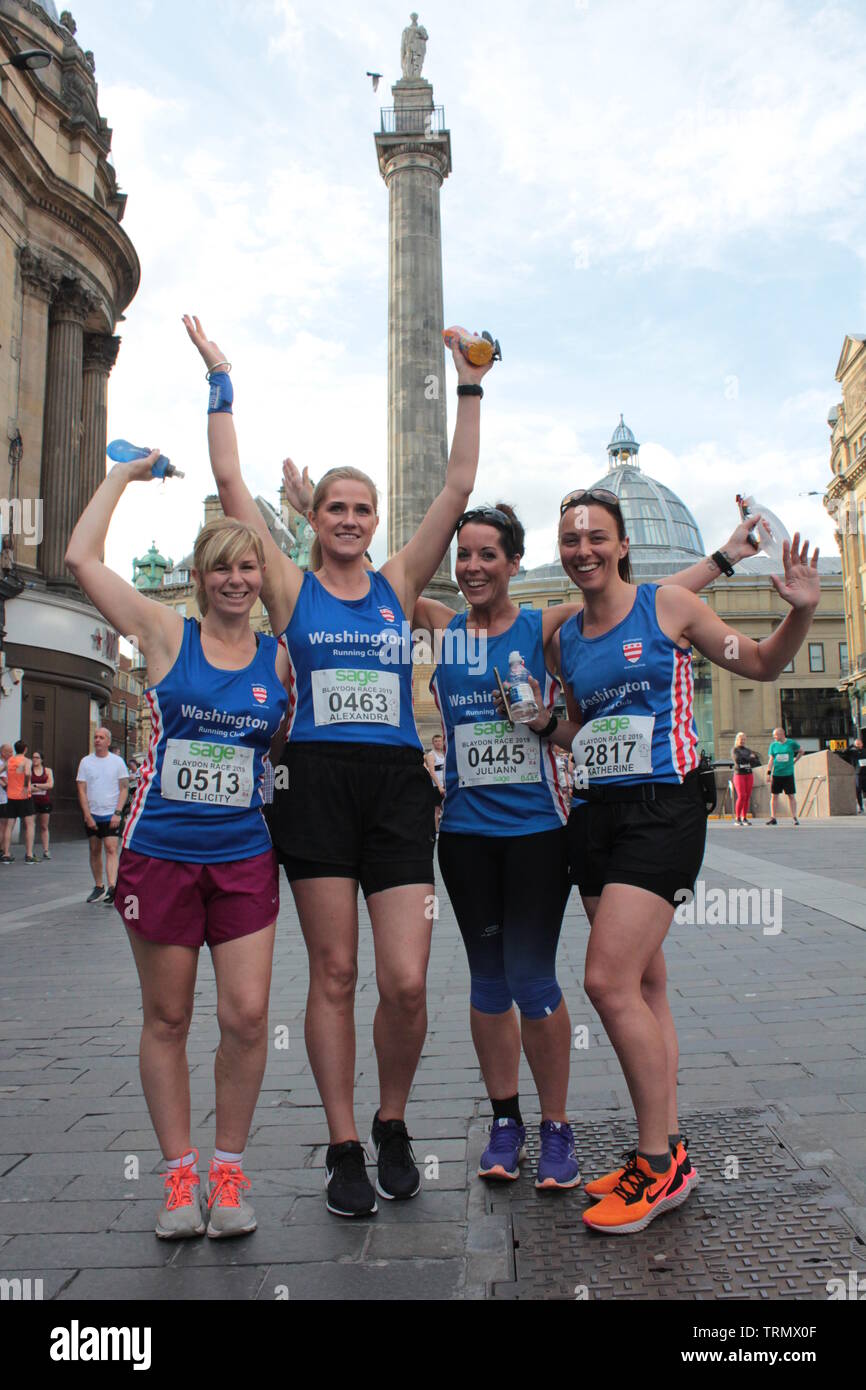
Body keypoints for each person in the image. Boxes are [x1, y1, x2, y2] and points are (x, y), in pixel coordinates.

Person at [183, 311, 494, 1218]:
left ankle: (393, 1120)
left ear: (375, 522)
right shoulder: (292, 588)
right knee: (335, 975)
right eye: (335, 509)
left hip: (398, 785)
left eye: (363, 511)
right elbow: (230, 479)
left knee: (404, 978)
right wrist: (221, 381)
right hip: (313, 786)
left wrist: (469, 379)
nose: (351, 521)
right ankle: (345, 1141)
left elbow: (460, 480)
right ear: (313, 520)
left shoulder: (400, 585)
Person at [524, 490, 819, 1234]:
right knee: (646, 981)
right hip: (595, 816)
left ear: (622, 545)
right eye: (570, 539)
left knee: (606, 979)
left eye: (596, 536)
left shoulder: (669, 608)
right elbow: (588, 731)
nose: (583, 548)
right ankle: (669, 1147)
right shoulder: (566, 639)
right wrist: (546, 724)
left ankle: (656, 1168)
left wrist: (802, 611)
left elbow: (755, 662)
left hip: (663, 810)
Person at [65, 444, 290, 1241]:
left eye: (248, 567)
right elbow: (79, 557)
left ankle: (229, 1172)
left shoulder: (279, 662)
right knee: (167, 1018)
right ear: (199, 579)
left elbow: (279, 748)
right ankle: (178, 1179)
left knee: (248, 1015)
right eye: (221, 568)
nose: (236, 580)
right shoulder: (164, 633)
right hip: (159, 852)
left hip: (243, 857)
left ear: (262, 578)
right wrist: (124, 475)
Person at [76, 729, 129, 904]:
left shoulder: (117, 762)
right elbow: (82, 790)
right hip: (93, 813)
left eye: (101, 738)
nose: (97, 740)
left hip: (111, 813)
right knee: (95, 849)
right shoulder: (86, 762)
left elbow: (124, 788)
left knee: (111, 848)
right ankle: (99, 886)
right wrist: (87, 814)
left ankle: (112, 886)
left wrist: (118, 812)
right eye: (96, 737)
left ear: (108, 741)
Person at [1, 740, 37, 864]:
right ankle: (29, 854)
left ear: (15, 749)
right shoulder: (26, 761)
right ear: (25, 749)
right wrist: (25, 785)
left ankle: (6, 854)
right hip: (24, 796)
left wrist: (6, 785)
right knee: (30, 825)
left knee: (9, 826)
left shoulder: (9, 761)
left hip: (11, 796)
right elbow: (26, 772)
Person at [766, 726, 801, 825]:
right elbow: (771, 759)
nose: (774, 737)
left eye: (776, 735)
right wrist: (768, 773)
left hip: (788, 773)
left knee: (791, 795)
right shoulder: (773, 745)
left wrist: (795, 760)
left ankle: (794, 817)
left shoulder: (791, 743)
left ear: (782, 734)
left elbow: (801, 751)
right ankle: (773, 817)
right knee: (774, 796)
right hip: (777, 773)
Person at [730, 731, 760, 826]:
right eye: (740, 739)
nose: (742, 741)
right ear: (737, 740)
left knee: (747, 796)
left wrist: (748, 758)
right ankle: (737, 818)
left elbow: (756, 761)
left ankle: (744, 817)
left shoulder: (748, 750)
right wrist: (749, 758)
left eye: (744, 739)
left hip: (748, 774)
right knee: (741, 795)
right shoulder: (735, 750)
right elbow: (738, 759)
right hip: (739, 774)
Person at [29, 751, 54, 859]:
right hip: (31, 801)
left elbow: (50, 785)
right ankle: (29, 851)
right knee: (31, 826)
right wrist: (42, 786)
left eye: (37, 757)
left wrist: (36, 785)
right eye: (33, 757)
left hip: (44, 801)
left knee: (44, 826)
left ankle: (46, 850)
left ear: (41, 759)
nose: (34, 759)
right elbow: (27, 786)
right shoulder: (29, 771)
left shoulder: (47, 771)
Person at [424, 733, 446, 833]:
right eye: (436, 741)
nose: (438, 743)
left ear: (443, 742)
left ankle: (442, 828)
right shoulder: (431, 755)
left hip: (445, 784)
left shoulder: (444, 754)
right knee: (436, 809)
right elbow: (432, 772)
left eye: (439, 741)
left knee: (445, 807)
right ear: (433, 743)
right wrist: (439, 786)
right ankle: (436, 830)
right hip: (436, 786)